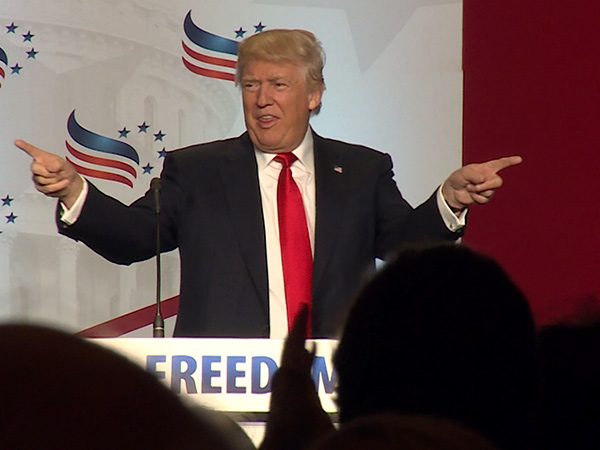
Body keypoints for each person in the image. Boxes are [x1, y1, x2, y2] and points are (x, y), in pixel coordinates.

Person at [15, 29, 522, 338]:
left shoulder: (362, 170)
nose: (262, 99)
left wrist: (449, 200)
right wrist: (74, 191)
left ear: (313, 96)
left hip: (331, 383)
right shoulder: (197, 171)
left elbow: (401, 245)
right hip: (223, 389)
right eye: (252, 85)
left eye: (279, 85)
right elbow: (132, 238)